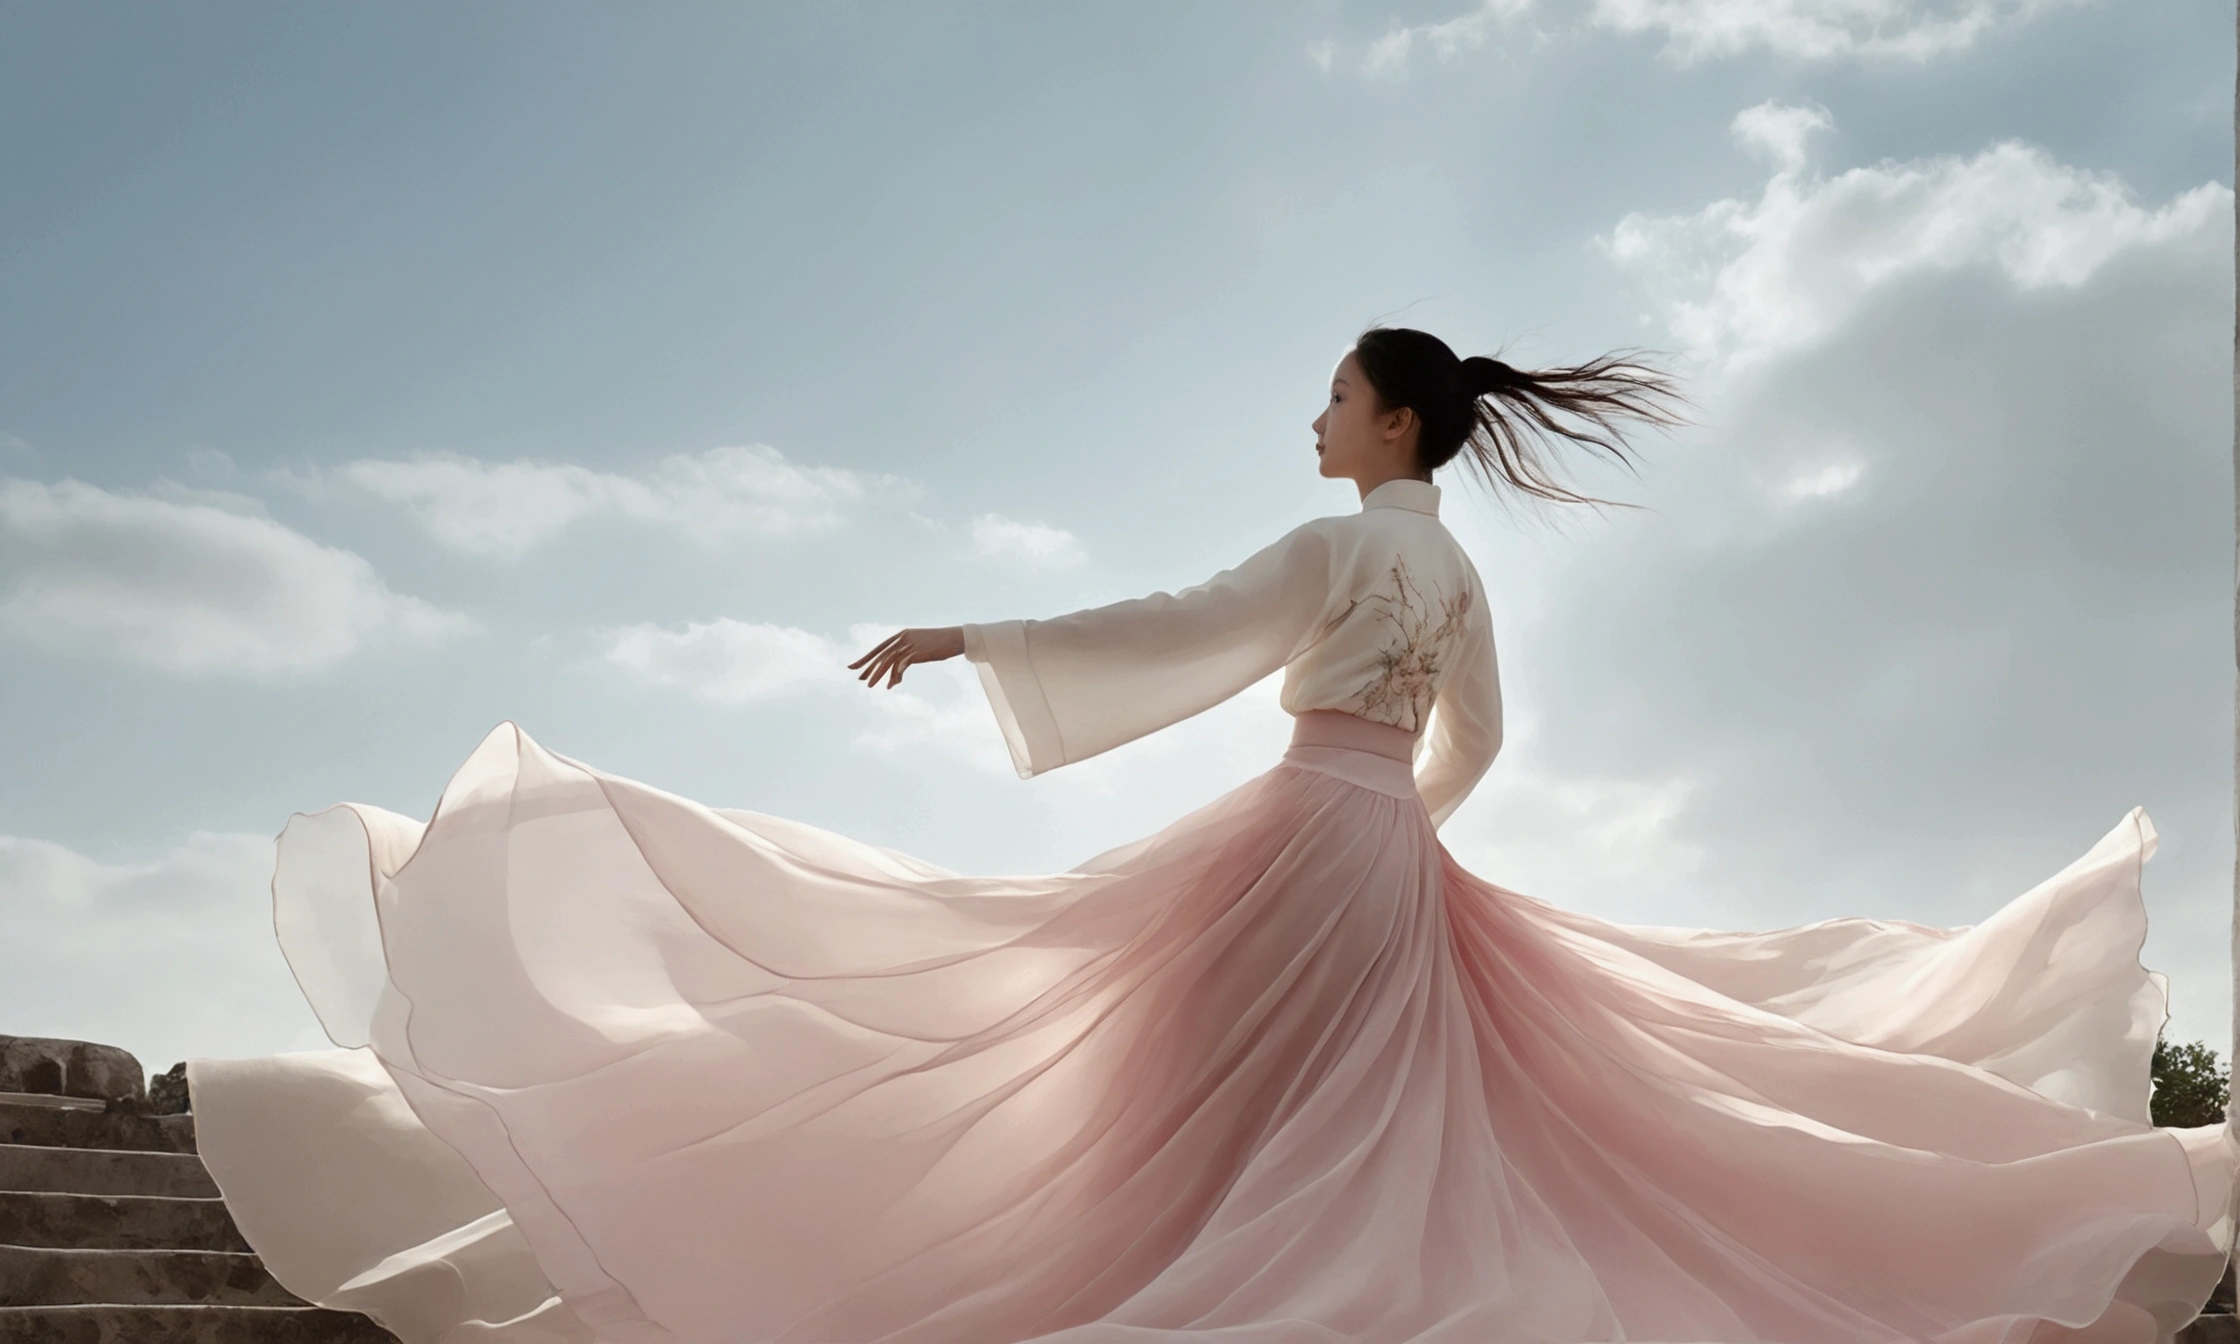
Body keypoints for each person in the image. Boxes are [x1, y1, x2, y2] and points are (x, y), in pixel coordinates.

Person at [189, 326, 2234, 1344]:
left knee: (1077, 1046)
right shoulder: (1460, 585)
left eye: (1335, 396)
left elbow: (1173, 632)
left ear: (1394, 426)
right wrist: (1392, 838)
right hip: (1383, 863)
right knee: (1356, 1121)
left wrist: (969, 631)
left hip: (1304, 838)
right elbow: (1485, 750)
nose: (1316, 418)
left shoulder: (1338, 549)